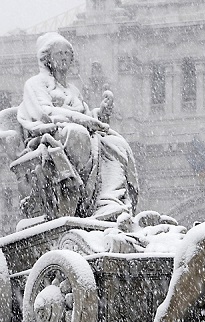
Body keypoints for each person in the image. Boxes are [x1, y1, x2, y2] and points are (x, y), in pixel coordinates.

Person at [17, 32, 138, 221]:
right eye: (59, 54)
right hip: (51, 135)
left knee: (116, 143)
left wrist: (101, 113)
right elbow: (45, 114)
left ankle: (108, 198)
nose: (64, 57)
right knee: (78, 133)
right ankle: (85, 199)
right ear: (47, 59)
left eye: (67, 53)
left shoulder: (73, 90)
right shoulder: (35, 84)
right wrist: (82, 120)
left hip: (79, 134)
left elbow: (88, 117)